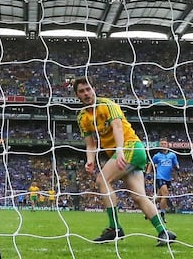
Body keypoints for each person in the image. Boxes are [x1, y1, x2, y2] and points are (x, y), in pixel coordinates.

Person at [73, 77, 176, 246]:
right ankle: (164, 232)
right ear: (77, 95)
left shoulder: (108, 105)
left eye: (88, 89)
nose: (86, 93)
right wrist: (90, 161)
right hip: (125, 153)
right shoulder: (82, 117)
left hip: (130, 147)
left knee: (102, 180)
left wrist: (120, 150)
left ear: (93, 89)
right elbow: (90, 144)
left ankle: (115, 229)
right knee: (138, 196)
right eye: (81, 91)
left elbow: (118, 127)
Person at [145, 138, 179, 223]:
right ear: (160, 146)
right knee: (165, 194)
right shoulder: (157, 156)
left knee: (158, 197)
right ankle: (162, 213)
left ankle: (147, 211)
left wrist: (177, 167)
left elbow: (176, 164)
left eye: (164, 144)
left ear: (167, 145)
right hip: (160, 177)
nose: (163, 145)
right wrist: (148, 174)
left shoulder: (172, 155)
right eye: (162, 144)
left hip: (168, 179)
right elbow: (150, 165)